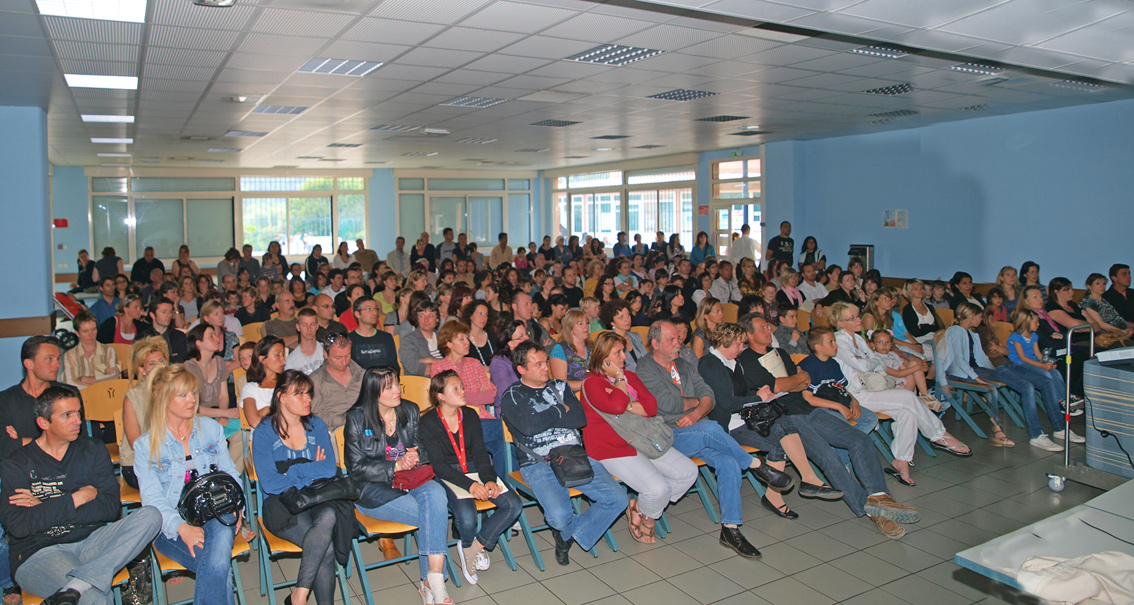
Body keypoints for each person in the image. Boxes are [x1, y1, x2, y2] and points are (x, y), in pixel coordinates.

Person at [738, 316, 919, 537]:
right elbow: (780, 385)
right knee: (828, 456)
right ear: (749, 335)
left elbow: (804, 379)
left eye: (768, 326)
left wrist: (793, 382)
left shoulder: (781, 353)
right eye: (762, 328)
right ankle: (874, 512)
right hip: (785, 417)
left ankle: (880, 496)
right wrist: (792, 382)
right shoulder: (746, 360)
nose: (769, 330)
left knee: (859, 439)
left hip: (808, 408)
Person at [637, 320, 791, 558]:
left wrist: (697, 410)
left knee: (727, 461)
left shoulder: (684, 365)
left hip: (694, 431)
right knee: (710, 428)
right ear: (655, 343)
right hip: (666, 435)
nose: (679, 343)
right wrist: (695, 402)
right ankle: (755, 465)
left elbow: (708, 395)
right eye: (672, 340)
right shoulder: (645, 367)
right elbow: (664, 404)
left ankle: (730, 529)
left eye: (678, 338)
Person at [0, 385, 162, 605]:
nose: (77, 421)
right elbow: (18, 526)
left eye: (78, 413)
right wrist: (77, 498)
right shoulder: (16, 463)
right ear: (44, 423)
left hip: (92, 542)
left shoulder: (93, 450)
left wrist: (44, 507)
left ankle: (78, 584)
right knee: (96, 598)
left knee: (151, 515)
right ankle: (83, 586)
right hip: (39, 552)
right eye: (67, 415)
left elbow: (109, 507)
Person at [500, 341, 628, 566]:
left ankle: (569, 535)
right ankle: (566, 529)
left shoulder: (560, 386)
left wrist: (545, 418)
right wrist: (559, 409)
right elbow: (528, 427)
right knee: (559, 518)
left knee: (618, 499)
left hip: (573, 455)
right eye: (538, 364)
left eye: (545, 362)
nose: (545, 368)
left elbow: (579, 419)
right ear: (521, 369)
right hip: (537, 463)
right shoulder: (512, 395)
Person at [135, 364, 243, 605]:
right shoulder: (146, 446)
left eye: (193, 393)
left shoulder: (212, 430)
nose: (192, 399)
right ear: (163, 399)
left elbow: (231, 475)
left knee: (222, 532)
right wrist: (182, 528)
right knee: (218, 568)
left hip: (216, 512)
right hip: (170, 524)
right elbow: (152, 502)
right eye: (182, 394)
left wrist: (238, 510)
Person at [344, 367, 454, 603]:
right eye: (390, 387)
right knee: (434, 514)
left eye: (397, 384)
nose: (397, 391)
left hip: (411, 479)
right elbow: (356, 469)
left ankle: (430, 578)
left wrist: (416, 455)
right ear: (373, 392)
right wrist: (395, 466)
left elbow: (421, 448)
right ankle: (434, 580)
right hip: (374, 489)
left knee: (436, 495)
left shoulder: (410, 410)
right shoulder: (356, 418)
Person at [829, 304, 970, 484]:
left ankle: (901, 461)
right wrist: (870, 361)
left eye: (858, 316)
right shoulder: (839, 341)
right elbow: (866, 365)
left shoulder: (858, 338)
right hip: (855, 396)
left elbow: (876, 363)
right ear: (840, 323)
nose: (859, 320)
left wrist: (869, 361)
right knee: (908, 397)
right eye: (852, 318)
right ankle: (938, 435)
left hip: (872, 388)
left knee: (908, 412)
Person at [579, 333, 697, 543]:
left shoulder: (630, 377)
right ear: (604, 357)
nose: (624, 357)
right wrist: (619, 379)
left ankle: (640, 508)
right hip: (611, 448)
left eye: (624, 351)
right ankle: (649, 520)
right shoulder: (591, 383)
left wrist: (628, 404)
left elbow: (651, 407)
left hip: (644, 438)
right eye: (618, 352)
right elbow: (616, 405)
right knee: (658, 488)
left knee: (688, 472)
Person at [252, 370, 354, 605]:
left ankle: (299, 594)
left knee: (329, 514)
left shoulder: (315, 425)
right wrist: (310, 468)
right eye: (299, 394)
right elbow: (270, 484)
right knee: (325, 549)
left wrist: (293, 471)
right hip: (281, 504)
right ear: (281, 397)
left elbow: (329, 468)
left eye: (308, 394)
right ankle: (302, 596)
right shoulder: (264, 432)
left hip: (315, 497)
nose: (307, 399)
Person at [419, 370, 522, 584]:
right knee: (467, 516)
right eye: (455, 388)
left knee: (513, 504)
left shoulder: (471, 415)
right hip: (447, 473)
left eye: (462, 387)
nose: (463, 391)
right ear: (441, 396)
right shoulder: (428, 422)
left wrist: (489, 479)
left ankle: (474, 547)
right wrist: (471, 485)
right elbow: (438, 466)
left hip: (474, 466)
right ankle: (466, 543)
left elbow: (480, 454)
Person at [940, 303, 1019, 447]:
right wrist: (977, 379)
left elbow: (981, 358)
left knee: (1006, 375)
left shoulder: (971, 333)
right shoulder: (956, 332)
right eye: (980, 316)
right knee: (990, 389)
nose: (981, 319)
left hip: (973, 370)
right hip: (957, 373)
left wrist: (994, 371)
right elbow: (959, 360)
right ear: (972, 317)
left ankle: (1002, 421)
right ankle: (997, 430)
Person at [1007, 309, 1083, 451]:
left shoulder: (1033, 336)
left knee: (1054, 372)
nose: (1038, 324)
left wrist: (1047, 362)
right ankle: (1062, 402)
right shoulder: (1016, 337)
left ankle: (1065, 398)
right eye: (1036, 321)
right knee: (1047, 376)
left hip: (1033, 362)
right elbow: (1023, 358)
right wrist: (1042, 366)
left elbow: (1037, 354)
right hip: (1020, 365)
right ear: (1025, 323)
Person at [184, 324, 243, 471]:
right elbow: (194, 408)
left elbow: (223, 395)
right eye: (211, 336)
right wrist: (224, 413)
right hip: (195, 418)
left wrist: (223, 414)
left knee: (241, 432)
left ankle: (230, 476)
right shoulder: (189, 367)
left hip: (217, 413)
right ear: (198, 343)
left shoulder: (219, 362)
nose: (217, 338)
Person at [0, 336, 70, 459]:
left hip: (63, 468)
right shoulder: (5, 400)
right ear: (29, 364)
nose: (57, 364)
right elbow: (5, 447)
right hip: (23, 470)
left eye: (58, 359)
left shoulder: (68, 395)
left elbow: (79, 443)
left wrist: (22, 441)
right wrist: (53, 442)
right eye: (49, 359)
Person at [120, 337, 169, 488]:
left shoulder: (175, 390)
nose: (160, 366)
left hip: (172, 458)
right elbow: (137, 444)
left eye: (162, 360)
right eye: (152, 363)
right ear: (141, 370)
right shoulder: (133, 398)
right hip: (140, 463)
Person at [309, 333, 365, 433]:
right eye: (338, 358)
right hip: (334, 432)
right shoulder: (315, 380)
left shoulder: (362, 374)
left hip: (365, 429)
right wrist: (349, 421)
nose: (344, 362)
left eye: (347, 355)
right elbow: (317, 416)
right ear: (325, 354)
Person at [62, 311, 120, 387]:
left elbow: (115, 376)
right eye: (85, 331)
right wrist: (101, 381)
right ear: (77, 333)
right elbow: (70, 383)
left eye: (93, 329)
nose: (91, 334)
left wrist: (85, 379)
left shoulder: (109, 351)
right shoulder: (69, 355)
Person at [242, 335, 286, 428]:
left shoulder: (287, 384)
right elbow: (254, 422)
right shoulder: (250, 388)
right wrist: (275, 410)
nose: (283, 359)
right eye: (277, 355)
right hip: (262, 438)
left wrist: (265, 411)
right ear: (262, 359)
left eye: (283, 355)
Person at [348, 297, 398, 371]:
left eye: (375, 309)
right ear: (357, 314)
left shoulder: (386, 337)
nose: (374, 313)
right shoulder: (349, 340)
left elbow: (394, 366)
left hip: (385, 380)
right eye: (369, 309)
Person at [1081, 272, 1134, 339]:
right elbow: (1100, 324)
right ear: (1089, 286)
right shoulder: (1088, 302)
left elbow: (1117, 317)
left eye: (1104, 284)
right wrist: (1120, 331)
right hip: (1109, 336)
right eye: (1098, 284)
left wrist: (1129, 328)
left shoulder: (1104, 300)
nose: (1102, 286)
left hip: (1124, 332)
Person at [399, 300, 443, 377]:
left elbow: (456, 361)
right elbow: (414, 366)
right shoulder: (409, 340)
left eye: (431, 316)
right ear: (417, 319)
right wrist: (445, 364)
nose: (426, 320)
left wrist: (430, 360)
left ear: (437, 319)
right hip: (422, 385)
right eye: (422, 316)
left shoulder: (443, 337)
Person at [549, 310, 590, 392]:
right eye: (580, 324)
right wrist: (588, 384)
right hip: (573, 396)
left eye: (587, 323)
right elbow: (561, 383)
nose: (586, 326)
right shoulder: (560, 349)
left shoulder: (592, 347)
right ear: (570, 329)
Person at [139, 297, 189, 363]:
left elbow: (183, 360)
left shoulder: (179, 336)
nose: (168, 315)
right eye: (164, 312)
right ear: (153, 315)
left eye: (170, 312)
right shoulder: (143, 338)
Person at [286, 308, 325, 375]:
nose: (309, 329)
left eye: (312, 324)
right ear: (298, 327)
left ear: (317, 326)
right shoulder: (291, 361)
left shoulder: (327, 351)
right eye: (304, 325)